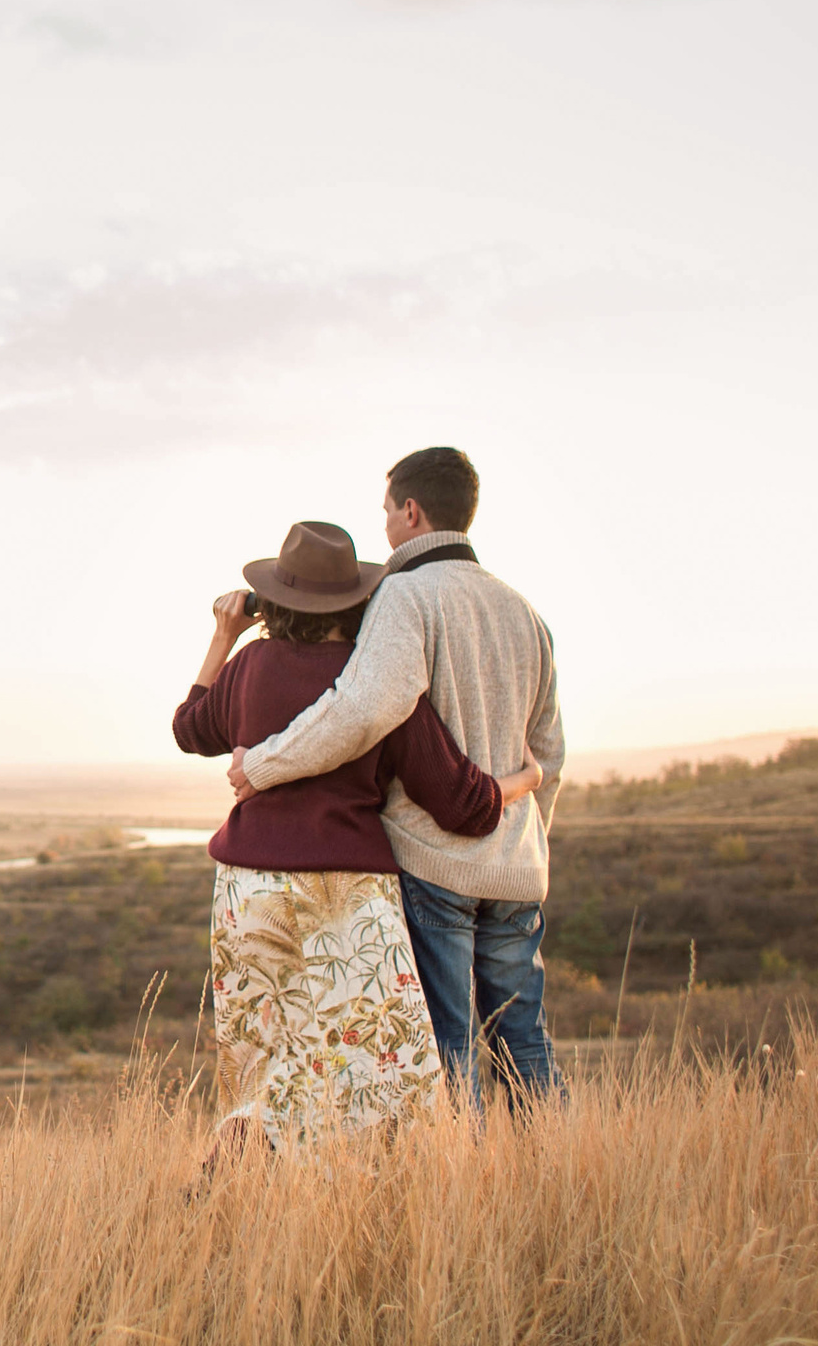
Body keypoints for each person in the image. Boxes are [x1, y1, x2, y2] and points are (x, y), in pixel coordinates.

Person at [174, 519, 542, 1152]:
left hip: (244, 893)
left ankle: (245, 1169)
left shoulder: (247, 667)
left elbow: (189, 729)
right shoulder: (374, 679)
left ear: (275, 600)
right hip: (344, 898)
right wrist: (520, 781)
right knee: (383, 1071)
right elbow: (460, 804)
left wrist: (223, 636)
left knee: (272, 1060)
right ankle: (372, 1203)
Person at [226, 448, 566, 1107]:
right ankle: (553, 1178)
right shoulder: (524, 610)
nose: (384, 524)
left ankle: (456, 1193)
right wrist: (528, 842)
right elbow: (547, 749)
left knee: (448, 1047)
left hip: (436, 862)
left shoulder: (405, 597)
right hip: (516, 867)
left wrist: (263, 765)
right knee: (525, 1040)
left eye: (386, 510)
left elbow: (364, 708)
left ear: (412, 512)